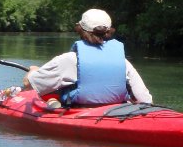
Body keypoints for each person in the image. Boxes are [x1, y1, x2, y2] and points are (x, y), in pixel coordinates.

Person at [21, 8, 152, 108]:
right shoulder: (122, 61)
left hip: (82, 113)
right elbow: (145, 100)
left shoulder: (69, 59)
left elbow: (29, 85)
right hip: (117, 113)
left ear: (80, 29)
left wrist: (33, 71)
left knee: (50, 94)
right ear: (109, 31)